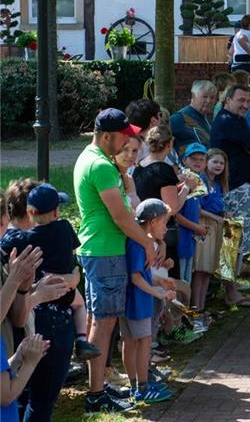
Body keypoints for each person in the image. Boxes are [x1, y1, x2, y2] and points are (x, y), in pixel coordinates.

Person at [74, 109, 152, 413]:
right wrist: (146, 242)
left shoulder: (95, 158)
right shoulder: (100, 165)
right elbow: (121, 216)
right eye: (123, 135)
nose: (127, 140)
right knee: (104, 323)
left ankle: (98, 386)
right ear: (107, 136)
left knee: (100, 320)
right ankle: (95, 396)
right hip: (104, 251)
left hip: (102, 250)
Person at [0, 185, 82, 420]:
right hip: (47, 322)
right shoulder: (63, 229)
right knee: (40, 402)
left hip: (27, 325)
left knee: (24, 398)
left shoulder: (18, 242)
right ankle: (83, 339)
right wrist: (71, 276)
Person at [122, 198, 176, 405]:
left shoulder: (136, 240)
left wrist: (161, 280)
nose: (166, 227)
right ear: (153, 221)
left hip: (132, 301)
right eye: (164, 222)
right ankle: (142, 387)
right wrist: (159, 293)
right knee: (143, 342)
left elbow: (141, 275)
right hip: (138, 302)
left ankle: (136, 384)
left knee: (130, 341)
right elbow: (135, 277)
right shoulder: (139, 243)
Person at [209, 84, 250, 287]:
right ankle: (229, 286)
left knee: (239, 236)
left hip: (243, 185)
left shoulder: (237, 120)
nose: (246, 105)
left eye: (249, 101)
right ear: (228, 100)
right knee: (233, 236)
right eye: (241, 100)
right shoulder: (227, 120)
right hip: (236, 187)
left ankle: (233, 279)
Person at [133, 126, 197, 280]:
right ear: (169, 144)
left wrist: (177, 189)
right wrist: (188, 188)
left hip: (145, 229)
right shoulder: (164, 170)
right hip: (163, 231)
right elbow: (172, 208)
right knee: (169, 280)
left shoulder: (139, 167)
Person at [193, 148, 228, 313]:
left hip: (215, 225)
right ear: (207, 162)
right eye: (215, 162)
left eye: (222, 163)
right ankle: (195, 308)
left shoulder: (218, 184)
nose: (218, 165)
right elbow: (197, 208)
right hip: (204, 225)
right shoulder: (201, 180)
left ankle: (201, 307)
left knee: (207, 270)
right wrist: (215, 218)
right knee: (200, 269)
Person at [176, 143, 209, 285]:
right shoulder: (182, 181)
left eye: (202, 159)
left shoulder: (199, 181)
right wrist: (196, 227)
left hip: (191, 239)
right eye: (194, 158)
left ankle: (187, 306)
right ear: (185, 160)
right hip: (179, 238)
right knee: (180, 280)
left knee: (187, 278)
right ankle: (180, 307)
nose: (198, 162)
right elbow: (174, 213)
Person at [169, 80, 218, 154]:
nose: (208, 101)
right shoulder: (179, 118)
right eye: (205, 96)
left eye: (212, 97)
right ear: (193, 96)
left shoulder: (205, 119)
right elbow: (162, 140)